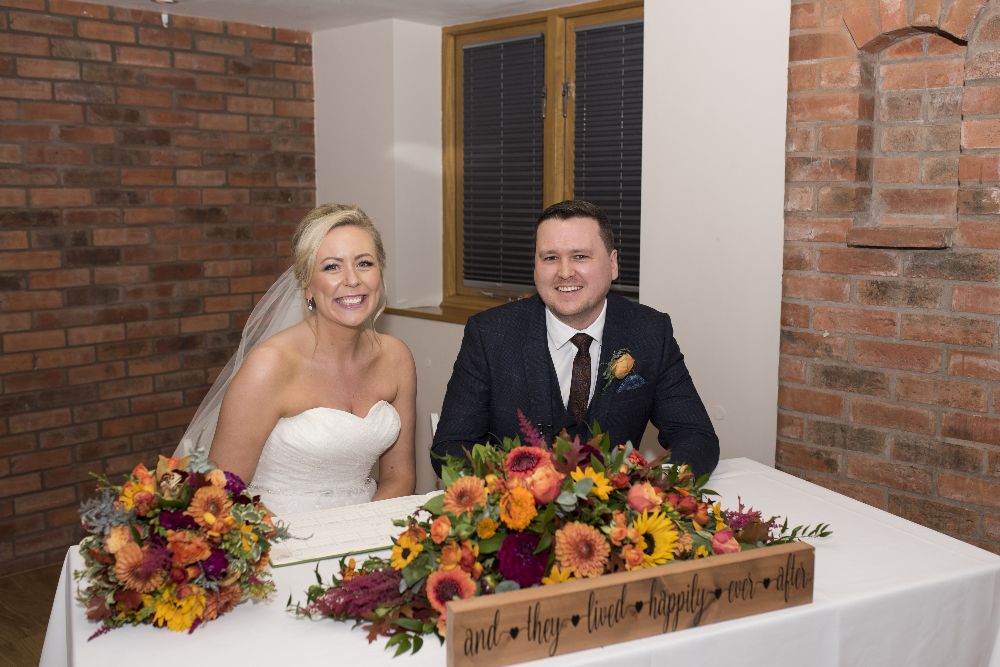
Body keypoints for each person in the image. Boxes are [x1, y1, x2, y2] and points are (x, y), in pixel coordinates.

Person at [432, 200, 719, 479]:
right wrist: (515, 492)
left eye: (580, 256)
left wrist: (651, 486)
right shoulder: (489, 334)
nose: (565, 272)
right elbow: (451, 446)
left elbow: (696, 435)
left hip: (616, 505)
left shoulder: (650, 331)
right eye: (550, 258)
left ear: (613, 264)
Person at [175, 203, 416, 516]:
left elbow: (400, 477)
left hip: (367, 527)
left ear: (379, 274)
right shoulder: (270, 365)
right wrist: (303, 540)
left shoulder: (396, 358)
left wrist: (361, 531)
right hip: (277, 531)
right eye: (332, 267)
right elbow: (225, 493)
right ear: (307, 285)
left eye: (364, 263)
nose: (352, 279)